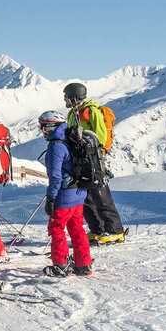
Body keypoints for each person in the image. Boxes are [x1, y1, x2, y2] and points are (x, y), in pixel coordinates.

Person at [63, 82, 126, 244]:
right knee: (86, 196)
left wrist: (89, 150)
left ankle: (115, 230)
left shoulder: (91, 112)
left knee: (100, 193)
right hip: (79, 159)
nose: (64, 99)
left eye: (66, 96)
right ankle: (97, 229)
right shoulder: (72, 113)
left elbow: (101, 136)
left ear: (73, 96)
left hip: (93, 158)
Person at [38, 110, 92, 277]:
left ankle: (60, 265)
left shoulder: (56, 145)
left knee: (57, 229)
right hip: (79, 193)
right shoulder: (72, 137)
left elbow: (55, 176)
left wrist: (51, 198)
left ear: (50, 126)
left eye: (43, 127)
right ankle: (83, 265)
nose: (42, 131)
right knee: (77, 229)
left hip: (64, 196)